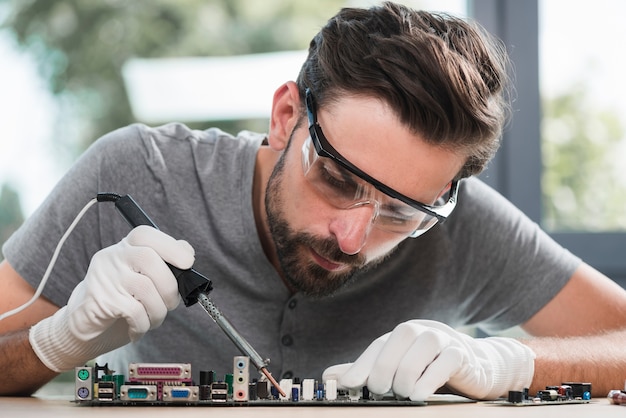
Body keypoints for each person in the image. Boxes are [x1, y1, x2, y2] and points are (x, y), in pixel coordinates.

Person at [1, 1, 625, 400]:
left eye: (400, 211)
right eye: (338, 179)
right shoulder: (140, 171)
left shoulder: (460, 230)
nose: (351, 239)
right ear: (285, 116)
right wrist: (57, 342)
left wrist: (505, 363)